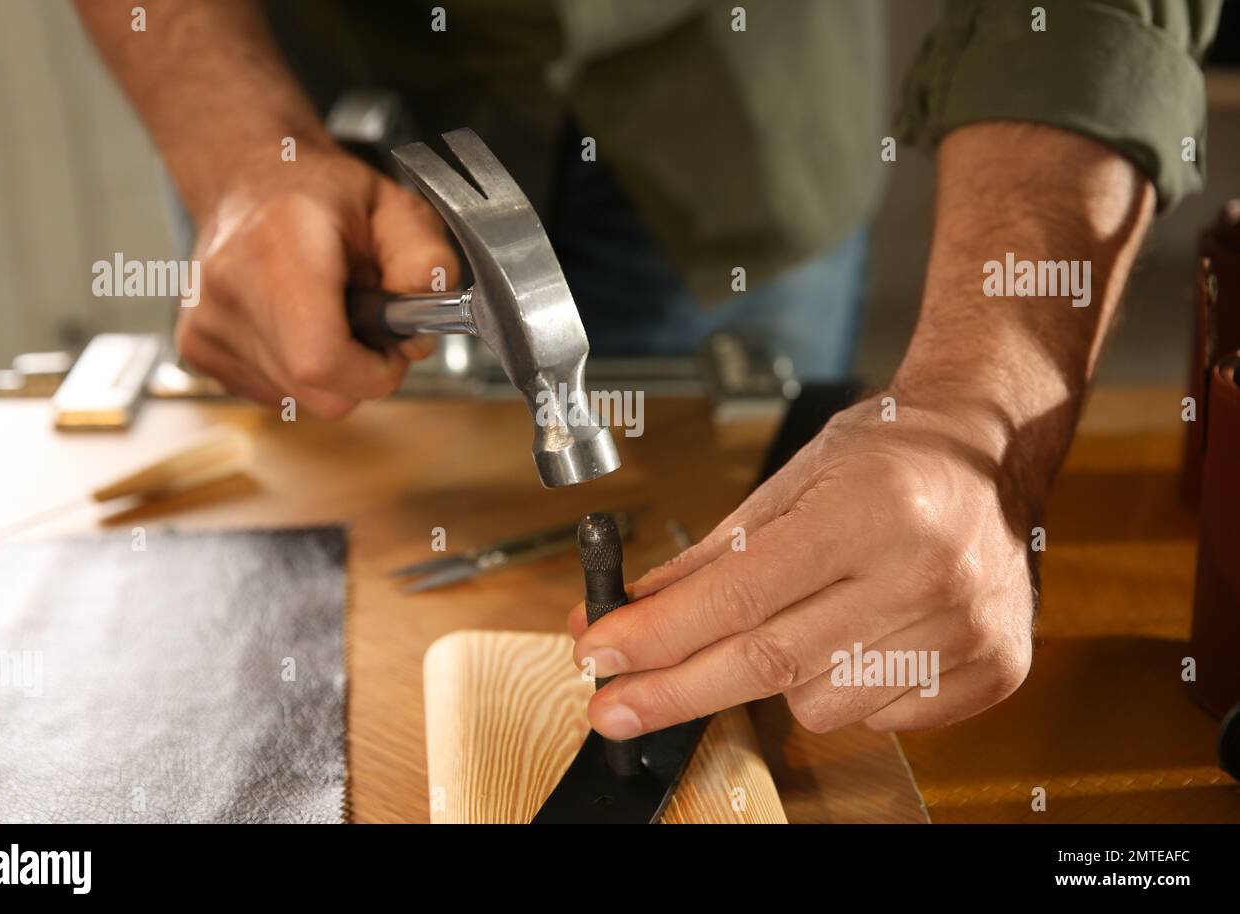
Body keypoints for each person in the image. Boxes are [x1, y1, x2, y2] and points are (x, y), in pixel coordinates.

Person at [74, 0, 1221, 736]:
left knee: (781, 582)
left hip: (731, 89)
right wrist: (231, 148)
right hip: (310, 72)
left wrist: (979, 419)